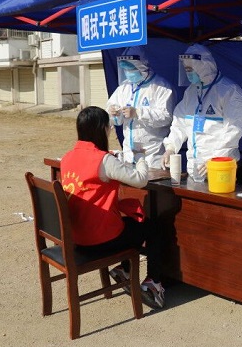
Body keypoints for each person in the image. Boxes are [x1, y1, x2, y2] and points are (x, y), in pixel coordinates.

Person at [60, 106, 165, 309]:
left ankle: (124, 270)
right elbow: (140, 180)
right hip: (100, 239)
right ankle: (154, 282)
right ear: (101, 129)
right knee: (152, 227)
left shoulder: (67, 157)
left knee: (131, 225)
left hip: (76, 236)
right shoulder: (104, 160)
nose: (109, 130)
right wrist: (140, 157)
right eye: (108, 127)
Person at [161, 44, 242, 179]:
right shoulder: (191, 92)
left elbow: (233, 130)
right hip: (194, 168)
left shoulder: (229, 91)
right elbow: (180, 122)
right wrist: (171, 147)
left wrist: (216, 159)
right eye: (186, 69)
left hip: (220, 167)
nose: (188, 73)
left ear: (203, 66)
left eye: (190, 69)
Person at [106, 47, 176, 169]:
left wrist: (138, 113)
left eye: (131, 69)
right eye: (125, 69)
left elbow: (166, 117)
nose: (128, 73)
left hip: (152, 155)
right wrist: (112, 112)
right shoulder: (124, 87)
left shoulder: (161, 87)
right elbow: (111, 113)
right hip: (129, 154)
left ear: (142, 67)